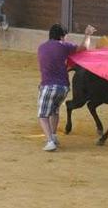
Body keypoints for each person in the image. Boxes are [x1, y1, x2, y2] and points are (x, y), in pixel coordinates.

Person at [37, 23, 96, 151]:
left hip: (48, 86)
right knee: (54, 111)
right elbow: (84, 48)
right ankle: (53, 135)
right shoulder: (64, 46)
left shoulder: (41, 48)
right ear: (62, 36)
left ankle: (50, 141)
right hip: (63, 88)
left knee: (42, 116)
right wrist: (88, 35)